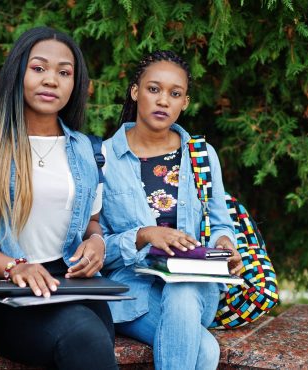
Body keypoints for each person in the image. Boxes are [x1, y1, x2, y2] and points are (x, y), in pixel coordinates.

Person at [0, 27, 118, 370]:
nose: (51, 80)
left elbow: (91, 222)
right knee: (83, 336)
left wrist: (98, 242)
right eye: (38, 68)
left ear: (75, 84)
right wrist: (15, 267)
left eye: (64, 72)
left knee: (94, 331)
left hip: (72, 284)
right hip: (8, 290)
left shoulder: (87, 150)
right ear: (18, 73)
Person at [99, 50, 244, 370]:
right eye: (154, 89)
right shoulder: (103, 158)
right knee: (205, 352)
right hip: (135, 294)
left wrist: (225, 245)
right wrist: (142, 235)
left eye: (174, 93)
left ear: (185, 102)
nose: (163, 100)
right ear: (135, 92)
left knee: (183, 286)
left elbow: (221, 225)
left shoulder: (202, 155)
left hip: (197, 288)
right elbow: (97, 247)